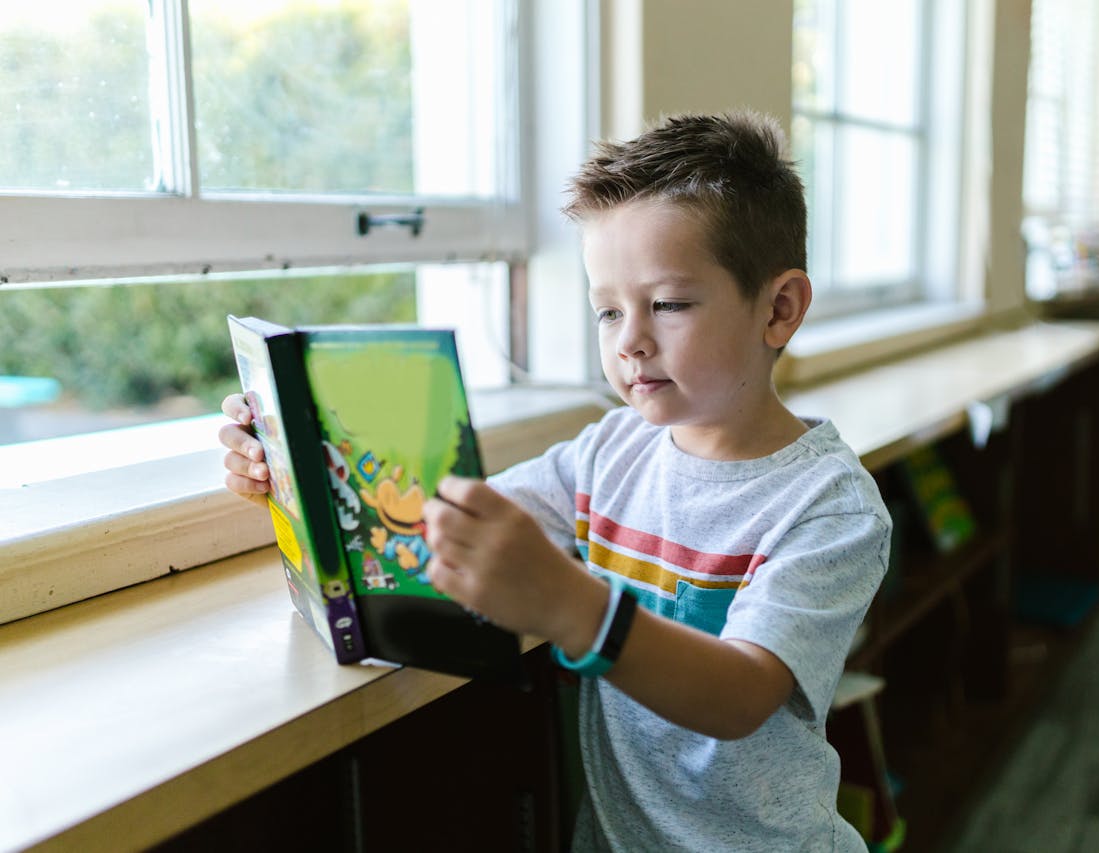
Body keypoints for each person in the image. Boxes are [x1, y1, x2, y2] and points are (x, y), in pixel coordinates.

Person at [219, 111, 891, 852]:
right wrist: (297, 468)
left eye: (668, 303)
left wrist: (574, 606)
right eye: (607, 310)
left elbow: (739, 695)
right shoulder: (612, 451)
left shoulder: (830, 507)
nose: (630, 339)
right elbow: (449, 515)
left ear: (780, 308)